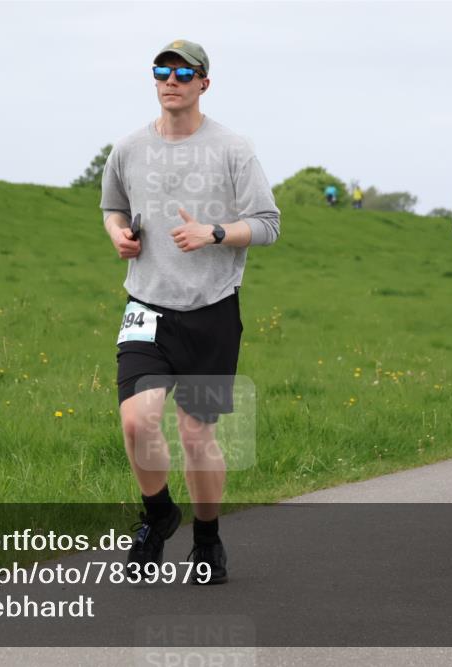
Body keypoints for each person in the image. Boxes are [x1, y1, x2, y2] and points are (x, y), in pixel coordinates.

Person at [100, 40, 280, 583]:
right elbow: (112, 206)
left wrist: (216, 233)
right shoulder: (129, 148)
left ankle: (207, 540)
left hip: (211, 313)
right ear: (154, 80)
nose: (171, 79)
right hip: (147, 307)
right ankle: (158, 515)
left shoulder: (232, 149)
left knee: (197, 436)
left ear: (204, 83)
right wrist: (119, 236)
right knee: (137, 421)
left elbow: (268, 224)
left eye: (184, 71)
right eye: (162, 70)